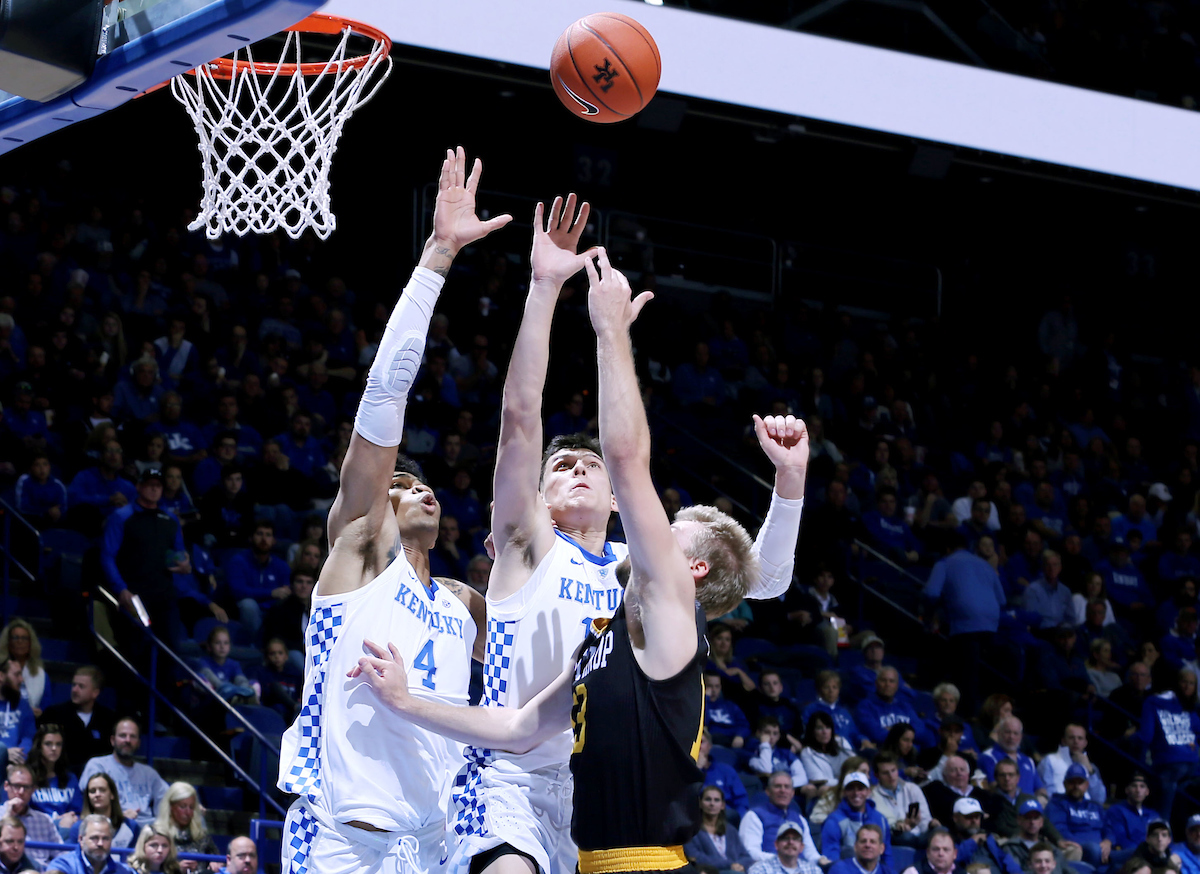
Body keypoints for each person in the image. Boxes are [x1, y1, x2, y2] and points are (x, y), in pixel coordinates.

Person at [350, 249, 790, 874]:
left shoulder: (634, 572)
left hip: (596, 799)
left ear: (617, 499)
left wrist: (789, 487)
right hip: (509, 782)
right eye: (562, 468)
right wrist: (543, 288)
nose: (579, 467)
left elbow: (755, 580)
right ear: (537, 499)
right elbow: (520, 420)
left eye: (591, 465)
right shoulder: (530, 546)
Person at [275, 148, 498, 874]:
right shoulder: (364, 549)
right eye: (403, 485)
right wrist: (435, 260)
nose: (420, 489)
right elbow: (382, 407)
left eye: (426, 486)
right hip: (345, 830)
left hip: (434, 841)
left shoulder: (467, 602)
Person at [100, 468, 189, 652]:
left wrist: (184, 564)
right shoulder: (122, 516)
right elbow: (108, 555)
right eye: (149, 485)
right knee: (137, 647)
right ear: (139, 487)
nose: (154, 489)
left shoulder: (170, 520)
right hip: (135, 595)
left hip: (164, 595)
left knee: (172, 648)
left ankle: (168, 682)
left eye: (158, 486)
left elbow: (178, 552)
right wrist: (121, 589)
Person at [922, 534, 1007, 714]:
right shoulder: (985, 564)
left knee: (965, 674)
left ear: (947, 549)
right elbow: (1002, 600)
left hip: (964, 625)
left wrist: (930, 617)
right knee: (979, 671)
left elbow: (930, 593)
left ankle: (967, 715)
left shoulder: (944, 563)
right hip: (991, 625)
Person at [79, 719, 168, 831]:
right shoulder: (98, 765)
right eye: (122, 735)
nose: (127, 740)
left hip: (148, 831)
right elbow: (92, 801)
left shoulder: (149, 773)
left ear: (139, 743)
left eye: (132, 736)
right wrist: (118, 816)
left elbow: (168, 799)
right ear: (112, 740)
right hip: (113, 826)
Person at [1136, 672, 1200, 822]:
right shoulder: (1155, 703)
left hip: (1175, 765)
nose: (1187, 687)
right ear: (1176, 683)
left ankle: (1164, 829)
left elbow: (1144, 736)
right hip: (1184, 764)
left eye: (1191, 683)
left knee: (1163, 813)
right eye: (1184, 682)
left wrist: (1139, 764)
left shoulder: (1186, 706)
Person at [38, 668, 114, 775]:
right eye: (74, 685)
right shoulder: (54, 714)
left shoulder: (108, 718)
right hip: (61, 777)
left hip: (98, 778)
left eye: (81, 686)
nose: (75, 690)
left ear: (95, 693)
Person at [224, 521, 291, 638]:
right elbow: (238, 591)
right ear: (251, 538)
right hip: (244, 611)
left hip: (271, 610)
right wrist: (271, 593)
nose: (264, 539)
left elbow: (286, 592)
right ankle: (254, 642)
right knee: (248, 605)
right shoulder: (238, 561)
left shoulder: (281, 566)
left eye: (268, 535)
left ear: (274, 540)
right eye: (260, 534)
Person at [821, 772, 893, 865]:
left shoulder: (880, 819)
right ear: (844, 792)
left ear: (868, 791)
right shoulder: (834, 821)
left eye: (860, 789)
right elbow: (831, 859)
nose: (856, 793)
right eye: (851, 789)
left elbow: (887, 855)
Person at [1045, 766, 1109, 867]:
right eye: (1072, 782)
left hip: (1104, 851)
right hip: (1082, 848)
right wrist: (1085, 844)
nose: (1076, 786)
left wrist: (1108, 841)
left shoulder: (1095, 806)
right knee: (1094, 849)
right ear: (1065, 784)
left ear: (1087, 785)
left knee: (1132, 854)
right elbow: (1060, 830)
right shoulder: (1057, 804)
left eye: (1080, 783)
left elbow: (1108, 827)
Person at [684, 786, 755, 873]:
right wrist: (729, 865)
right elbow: (695, 856)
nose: (712, 803)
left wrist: (739, 865)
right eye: (708, 799)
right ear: (700, 803)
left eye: (716, 800)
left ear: (722, 805)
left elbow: (746, 856)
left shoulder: (730, 830)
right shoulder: (692, 830)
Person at [3, 763, 61, 867]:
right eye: (17, 786)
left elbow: (61, 855)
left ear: (33, 790)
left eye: (26, 787)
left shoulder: (44, 820)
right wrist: (7, 816)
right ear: (6, 786)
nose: (21, 792)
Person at [152, 783, 217, 872]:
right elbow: (149, 866)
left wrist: (215, 863)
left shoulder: (201, 834)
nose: (187, 812)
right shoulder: (157, 833)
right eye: (183, 806)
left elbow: (216, 857)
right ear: (171, 807)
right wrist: (175, 869)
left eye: (191, 807)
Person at [28, 723, 81, 832]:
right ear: (39, 746)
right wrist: (54, 820)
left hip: (66, 828)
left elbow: (77, 813)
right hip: (36, 829)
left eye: (58, 744)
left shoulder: (70, 778)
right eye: (48, 744)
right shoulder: (28, 776)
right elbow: (24, 812)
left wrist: (70, 818)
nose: (54, 748)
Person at [872, 752, 932, 849]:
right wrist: (900, 826)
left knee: (941, 831)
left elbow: (925, 820)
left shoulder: (913, 788)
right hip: (896, 837)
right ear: (877, 775)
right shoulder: (873, 796)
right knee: (905, 836)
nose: (891, 776)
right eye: (885, 773)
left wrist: (931, 825)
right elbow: (883, 826)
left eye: (893, 770)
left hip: (919, 835)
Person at [856, 669, 929, 748]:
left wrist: (893, 730)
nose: (887, 684)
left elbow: (921, 731)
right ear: (876, 683)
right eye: (883, 680)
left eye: (891, 681)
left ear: (897, 686)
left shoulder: (905, 707)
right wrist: (906, 735)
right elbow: (875, 734)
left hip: (909, 754)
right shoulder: (865, 706)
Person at [979, 718, 1045, 803]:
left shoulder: (1028, 761)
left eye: (1015, 733)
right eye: (1007, 732)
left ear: (1021, 737)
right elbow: (995, 788)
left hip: (1030, 810)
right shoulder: (988, 757)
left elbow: (1040, 788)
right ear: (999, 734)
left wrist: (1042, 798)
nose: (1011, 737)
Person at [948, 798, 1020, 874]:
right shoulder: (948, 839)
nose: (974, 821)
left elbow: (1006, 860)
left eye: (977, 817)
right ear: (956, 818)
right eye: (969, 817)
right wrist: (972, 842)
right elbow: (950, 859)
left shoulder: (988, 837)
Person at [1002, 800, 1076, 874]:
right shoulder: (1011, 848)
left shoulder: (1052, 848)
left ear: (1042, 821)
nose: (1032, 822)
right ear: (1019, 820)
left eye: (1036, 818)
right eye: (1028, 817)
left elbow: (1067, 870)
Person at [1105, 774, 1162, 869]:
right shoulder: (1116, 810)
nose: (1138, 790)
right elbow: (1121, 839)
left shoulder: (1153, 815)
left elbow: (1165, 835)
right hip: (1126, 854)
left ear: (1147, 792)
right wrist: (1148, 850)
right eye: (1134, 786)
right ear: (1127, 790)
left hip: (1149, 855)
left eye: (1142, 786)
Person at [45, 814, 134, 874]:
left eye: (105, 838)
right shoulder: (63, 866)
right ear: (81, 839)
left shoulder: (124, 871)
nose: (100, 843)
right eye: (94, 838)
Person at [1037, 726, 1105, 803]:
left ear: (1085, 743)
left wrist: (1090, 770)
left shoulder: (1092, 767)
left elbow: (1100, 799)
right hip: (1059, 809)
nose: (1076, 741)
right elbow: (1047, 793)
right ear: (1063, 741)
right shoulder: (1049, 760)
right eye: (1071, 738)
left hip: (1086, 812)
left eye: (1080, 738)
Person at [924, 756, 994, 830]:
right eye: (953, 770)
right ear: (944, 776)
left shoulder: (982, 794)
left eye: (962, 770)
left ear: (968, 774)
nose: (959, 773)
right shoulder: (936, 794)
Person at [802, 672, 867, 751]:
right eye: (826, 687)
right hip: (828, 750)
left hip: (850, 751)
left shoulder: (844, 711)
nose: (831, 691)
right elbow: (808, 734)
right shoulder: (811, 710)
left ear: (839, 690)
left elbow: (855, 733)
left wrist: (863, 740)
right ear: (819, 690)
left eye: (834, 687)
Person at [72, 773, 134, 849]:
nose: (97, 794)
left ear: (112, 794)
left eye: (102, 790)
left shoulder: (131, 826)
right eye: (92, 791)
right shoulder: (77, 828)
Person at [196, 627, 255, 705]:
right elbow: (208, 674)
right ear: (209, 647)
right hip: (212, 699)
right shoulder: (203, 661)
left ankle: (242, 698)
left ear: (230, 646)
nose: (222, 646)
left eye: (226, 643)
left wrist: (243, 690)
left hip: (231, 696)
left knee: (252, 684)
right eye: (217, 643)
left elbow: (240, 678)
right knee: (200, 678)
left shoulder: (234, 664)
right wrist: (223, 687)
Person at [800, 712, 854, 788]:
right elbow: (818, 781)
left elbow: (856, 765)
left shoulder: (841, 742)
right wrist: (846, 781)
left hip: (850, 788)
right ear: (812, 731)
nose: (824, 732)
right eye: (819, 728)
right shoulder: (807, 753)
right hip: (826, 792)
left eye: (828, 727)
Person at [0, 622, 44, 716]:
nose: (20, 641)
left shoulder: (41, 674)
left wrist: (37, 713)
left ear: (30, 643)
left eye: (24, 638)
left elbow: (45, 707)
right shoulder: (1, 666)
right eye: (15, 637)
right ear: (8, 641)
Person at [747, 823, 821, 874]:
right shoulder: (761, 869)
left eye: (795, 839)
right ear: (776, 844)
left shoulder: (813, 871)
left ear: (801, 847)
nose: (790, 842)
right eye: (785, 838)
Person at [0, 661, 34, 766]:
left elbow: (29, 736)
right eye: (16, 674)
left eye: (21, 674)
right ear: (1, 676)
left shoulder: (23, 705)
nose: (21, 679)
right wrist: (4, 753)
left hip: (16, 764)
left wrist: (21, 755)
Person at [827, 824, 892, 874]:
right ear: (855, 846)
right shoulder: (839, 870)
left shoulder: (887, 872)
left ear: (881, 848)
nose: (867, 845)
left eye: (872, 842)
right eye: (863, 841)